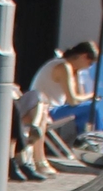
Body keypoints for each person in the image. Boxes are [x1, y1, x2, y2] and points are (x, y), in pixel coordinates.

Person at [14, 40, 98, 180]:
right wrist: (92, 96)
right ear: (84, 56)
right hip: (45, 108)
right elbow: (73, 100)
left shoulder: (68, 67)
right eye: (89, 64)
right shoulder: (63, 66)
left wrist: (78, 76)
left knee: (88, 108)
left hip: (46, 108)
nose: (88, 68)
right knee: (91, 107)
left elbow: (78, 95)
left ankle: (88, 144)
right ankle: (95, 146)